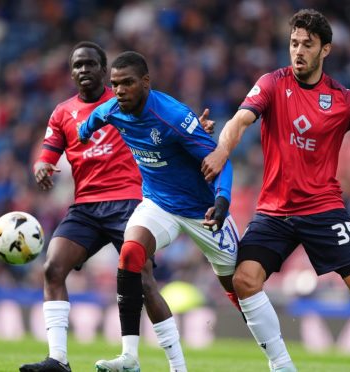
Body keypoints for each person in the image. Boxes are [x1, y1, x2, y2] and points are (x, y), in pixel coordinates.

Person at [201, 9, 350, 372]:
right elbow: (239, 121)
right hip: (274, 212)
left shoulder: (342, 99)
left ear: (325, 50)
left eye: (307, 45)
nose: (298, 51)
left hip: (323, 209)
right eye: (294, 43)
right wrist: (223, 149)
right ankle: (282, 366)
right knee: (244, 280)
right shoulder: (271, 83)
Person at [20, 42, 213, 372]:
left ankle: (178, 366)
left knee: (144, 281)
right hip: (85, 206)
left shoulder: (127, 99)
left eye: (90, 64)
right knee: (52, 267)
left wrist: (197, 130)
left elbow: (166, 121)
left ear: (103, 70)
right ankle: (58, 360)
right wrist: (41, 166)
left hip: (128, 201)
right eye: (77, 65)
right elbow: (50, 150)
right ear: (71, 72)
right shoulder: (62, 112)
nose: (83, 70)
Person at [78, 51, 240, 372]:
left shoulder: (173, 116)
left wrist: (222, 200)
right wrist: (80, 134)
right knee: (130, 256)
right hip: (158, 204)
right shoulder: (112, 110)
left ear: (146, 82)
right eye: (115, 84)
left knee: (241, 288)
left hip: (202, 210)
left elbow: (222, 162)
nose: (120, 90)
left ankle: (278, 358)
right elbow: (87, 126)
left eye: (127, 83)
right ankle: (134, 358)